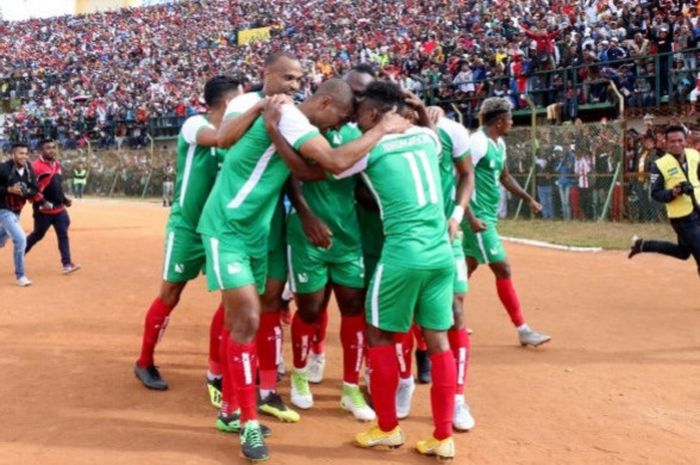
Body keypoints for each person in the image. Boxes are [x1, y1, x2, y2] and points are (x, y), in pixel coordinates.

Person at [197, 78, 408, 462]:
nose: (336, 127)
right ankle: (247, 423)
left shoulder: (292, 123)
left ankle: (230, 409)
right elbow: (334, 161)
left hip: (254, 233)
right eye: (339, 118)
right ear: (325, 103)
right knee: (246, 319)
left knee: (238, 324)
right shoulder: (293, 118)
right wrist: (381, 128)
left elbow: (310, 173)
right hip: (226, 228)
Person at [328, 80, 457, 460]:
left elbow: (332, 165)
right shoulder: (428, 140)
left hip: (402, 254)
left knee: (379, 335)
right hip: (441, 256)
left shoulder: (373, 146)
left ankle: (387, 428)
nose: (356, 120)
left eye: (359, 114)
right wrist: (419, 114)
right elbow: (432, 139)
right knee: (439, 343)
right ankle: (443, 437)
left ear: (372, 113)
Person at [134, 76, 242, 398]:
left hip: (219, 229)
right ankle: (144, 361)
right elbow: (221, 139)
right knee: (170, 294)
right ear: (227, 103)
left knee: (231, 299)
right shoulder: (194, 125)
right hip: (186, 226)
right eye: (241, 100)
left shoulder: (234, 135)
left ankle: (216, 371)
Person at [215, 52, 306, 425]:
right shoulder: (244, 103)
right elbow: (224, 140)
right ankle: (225, 387)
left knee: (269, 306)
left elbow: (297, 172)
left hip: (273, 223)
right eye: (288, 78)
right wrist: (260, 110)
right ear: (266, 75)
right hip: (235, 221)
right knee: (241, 314)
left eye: (298, 80)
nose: (294, 86)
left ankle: (264, 389)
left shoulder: (294, 114)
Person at [285, 66, 376, 422]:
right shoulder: (303, 131)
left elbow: (362, 182)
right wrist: (306, 214)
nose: (341, 123)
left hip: (348, 236)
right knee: (310, 310)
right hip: (307, 236)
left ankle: (351, 388)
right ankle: (300, 374)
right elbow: (289, 173)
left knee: (353, 309)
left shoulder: (354, 133)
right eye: (341, 114)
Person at [461, 97, 550, 347]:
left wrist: (528, 198)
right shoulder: (477, 143)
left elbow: (505, 176)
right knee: (503, 268)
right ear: (500, 121)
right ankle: (523, 329)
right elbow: (460, 179)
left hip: (487, 216)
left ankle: (445, 319)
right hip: (477, 218)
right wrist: (470, 217)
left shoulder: (499, 144)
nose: (512, 122)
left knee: (467, 268)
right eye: (510, 119)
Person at [629, 125, 700, 276]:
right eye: (672, 141)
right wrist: (673, 192)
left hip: (698, 210)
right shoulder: (659, 165)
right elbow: (655, 193)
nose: (676, 144)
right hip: (682, 218)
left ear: (685, 141)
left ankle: (642, 245)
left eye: (680, 140)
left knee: (683, 253)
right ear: (666, 143)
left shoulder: (694, 155)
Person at [24, 139, 79, 274]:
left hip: (59, 209)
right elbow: (29, 189)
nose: (52, 150)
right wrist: (42, 202)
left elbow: (57, 186)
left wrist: (65, 199)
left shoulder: (57, 165)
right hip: (43, 210)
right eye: (48, 148)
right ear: (41, 150)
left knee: (63, 234)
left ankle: (67, 264)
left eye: (54, 147)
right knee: (38, 235)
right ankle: (19, 253)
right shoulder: (34, 167)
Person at [0, 143, 43, 286]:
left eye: (26, 153)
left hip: (17, 210)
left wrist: (26, 192)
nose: (24, 156)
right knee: (20, 239)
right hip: (3, 209)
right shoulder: (3, 168)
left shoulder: (29, 169)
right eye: (20, 153)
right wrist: (8, 190)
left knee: (2, 236)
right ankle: (20, 276)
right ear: (13, 154)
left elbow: (35, 188)